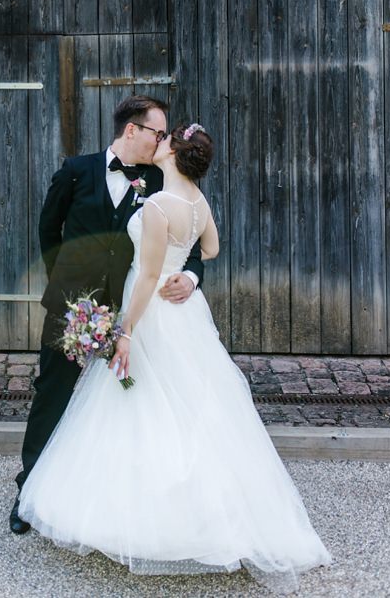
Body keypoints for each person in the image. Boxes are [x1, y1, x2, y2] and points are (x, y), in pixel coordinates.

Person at [18, 124, 332, 588]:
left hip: (149, 312)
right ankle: (210, 507)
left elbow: (146, 277)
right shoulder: (198, 203)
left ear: (175, 155)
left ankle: (143, 517)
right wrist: (181, 272)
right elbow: (212, 247)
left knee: (138, 403)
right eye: (157, 134)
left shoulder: (160, 204)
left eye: (166, 140)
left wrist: (126, 330)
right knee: (189, 404)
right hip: (181, 319)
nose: (158, 143)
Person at [14, 94, 203, 534]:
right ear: (131, 130)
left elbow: (193, 239)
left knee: (127, 406)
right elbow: (48, 229)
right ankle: (28, 493)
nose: (163, 140)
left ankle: (122, 508)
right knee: (53, 395)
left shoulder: (163, 180)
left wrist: (190, 278)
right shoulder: (75, 170)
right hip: (73, 310)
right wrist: (65, 287)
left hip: (138, 316)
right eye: (157, 131)